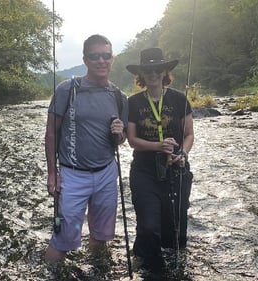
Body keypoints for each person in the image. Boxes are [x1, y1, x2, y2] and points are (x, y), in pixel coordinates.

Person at [44, 34, 128, 263]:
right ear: (85, 59)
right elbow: (51, 133)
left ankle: (98, 272)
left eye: (106, 55)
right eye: (94, 56)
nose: (101, 60)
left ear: (113, 59)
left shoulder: (120, 97)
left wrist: (119, 133)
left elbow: (121, 141)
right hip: (72, 174)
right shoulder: (67, 89)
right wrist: (53, 174)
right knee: (62, 241)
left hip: (106, 173)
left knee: (101, 238)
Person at [126, 47, 194, 272]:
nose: (153, 74)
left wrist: (182, 154)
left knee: (175, 231)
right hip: (144, 172)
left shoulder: (180, 99)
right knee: (148, 226)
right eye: (148, 70)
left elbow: (189, 135)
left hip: (176, 171)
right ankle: (151, 270)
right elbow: (132, 140)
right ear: (141, 75)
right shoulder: (133, 102)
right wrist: (158, 146)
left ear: (165, 71)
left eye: (157, 69)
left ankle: (173, 269)